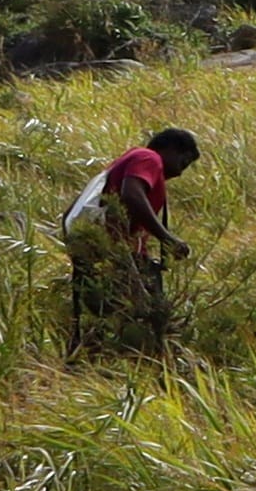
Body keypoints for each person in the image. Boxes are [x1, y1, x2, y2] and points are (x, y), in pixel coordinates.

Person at [62, 123, 203, 351]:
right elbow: (132, 194)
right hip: (117, 256)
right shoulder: (148, 158)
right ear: (170, 149)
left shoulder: (124, 163)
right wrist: (167, 238)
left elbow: (70, 214)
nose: (179, 172)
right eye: (183, 162)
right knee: (134, 323)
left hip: (101, 253)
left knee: (97, 320)